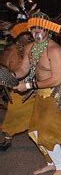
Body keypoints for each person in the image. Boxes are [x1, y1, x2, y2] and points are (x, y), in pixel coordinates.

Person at [11, 12, 61, 175]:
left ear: (47, 29)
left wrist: (28, 86)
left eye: (40, 28)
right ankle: (51, 162)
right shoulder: (30, 48)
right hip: (41, 94)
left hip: (57, 93)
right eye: (33, 28)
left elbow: (56, 79)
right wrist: (9, 76)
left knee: (47, 132)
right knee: (35, 132)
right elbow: (23, 70)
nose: (36, 31)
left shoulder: (55, 50)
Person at [0, 22, 35, 151]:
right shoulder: (10, 51)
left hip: (35, 88)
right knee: (13, 115)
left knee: (42, 113)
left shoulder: (34, 48)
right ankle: (7, 139)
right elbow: (4, 69)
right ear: (18, 37)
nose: (29, 37)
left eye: (29, 34)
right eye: (26, 35)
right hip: (18, 90)